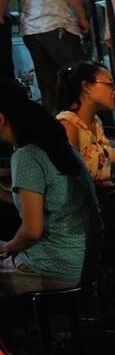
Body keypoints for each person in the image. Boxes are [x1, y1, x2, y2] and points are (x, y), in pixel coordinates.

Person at [0, 78, 101, 297]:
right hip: (87, 259)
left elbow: (31, 231)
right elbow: (40, 201)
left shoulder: (26, 155)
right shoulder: (56, 146)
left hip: (57, 267)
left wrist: (6, 248)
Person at [9, 0, 91, 111]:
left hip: (31, 28)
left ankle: (55, 131)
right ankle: (84, 131)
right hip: (57, 22)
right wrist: (82, 16)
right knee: (80, 84)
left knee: (50, 90)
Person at [55, 61, 115, 182]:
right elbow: (70, 180)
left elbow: (102, 156)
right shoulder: (68, 125)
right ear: (87, 86)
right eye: (110, 84)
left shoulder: (95, 121)